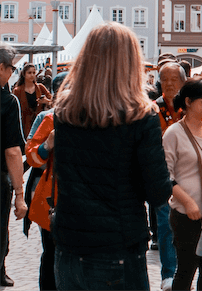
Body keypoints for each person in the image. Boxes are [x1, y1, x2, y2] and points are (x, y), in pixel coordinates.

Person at [52, 23, 171, 291]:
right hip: (118, 245)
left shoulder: (64, 111)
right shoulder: (141, 116)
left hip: (70, 244)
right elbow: (158, 191)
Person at [162, 79, 202, 291]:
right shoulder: (173, 133)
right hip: (186, 214)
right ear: (189, 102)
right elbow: (165, 175)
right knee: (186, 270)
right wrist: (188, 202)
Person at [25, 71, 69, 291]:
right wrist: (47, 146)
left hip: (84, 200)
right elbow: (32, 156)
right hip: (52, 198)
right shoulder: (49, 119)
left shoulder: (93, 118)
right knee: (51, 254)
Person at [155, 62, 186, 291]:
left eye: (174, 79)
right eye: (164, 79)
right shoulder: (153, 110)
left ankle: (184, 273)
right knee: (166, 225)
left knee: (187, 227)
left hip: (189, 176)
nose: (169, 84)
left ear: (184, 82)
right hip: (163, 176)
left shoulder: (190, 107)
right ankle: (168, 274)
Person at [0, 45, 26, 288]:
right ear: (1, 68)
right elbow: (12, 151)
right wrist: (19, 194)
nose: (12, 73)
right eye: (12, 68)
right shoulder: (8, 101)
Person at [12, 64, 52, 139]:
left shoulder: (40, 87)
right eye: (29, 73)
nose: (32, 75)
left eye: (34, 73)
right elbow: (14, 109)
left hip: (40, 123)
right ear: (24, 74)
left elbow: (53, 102)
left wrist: (47, 102)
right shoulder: (18, 90)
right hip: (24, 124)